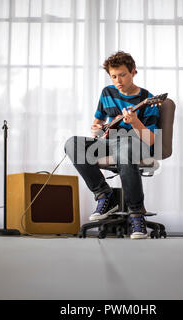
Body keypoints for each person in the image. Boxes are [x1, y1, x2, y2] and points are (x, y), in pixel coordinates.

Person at [64, 51, 160, 239]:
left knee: (125, 150)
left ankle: (136, 214)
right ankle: (104, 194)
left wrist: (134, 122)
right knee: (72, 143)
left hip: (135, 142)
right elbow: (97, 124)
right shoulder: (107, 93)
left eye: (122, 75)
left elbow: (151, 140)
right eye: (113, 76)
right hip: (109, 141)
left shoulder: (148, 99)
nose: (118, 80)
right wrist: (96, 129)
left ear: (133, 72)